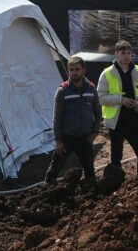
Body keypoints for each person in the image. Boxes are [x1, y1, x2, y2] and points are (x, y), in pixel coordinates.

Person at [44, 56, 103, 184]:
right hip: (67, 139)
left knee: (89, 170)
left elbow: (98, 112)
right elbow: (56, 117)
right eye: (71, 70)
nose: (74, 72)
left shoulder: (91, 89)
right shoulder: (62, 90)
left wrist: (95, 132)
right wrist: (58, 140)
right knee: (55, 169)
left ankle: (91, 195)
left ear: (84, 70)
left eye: (77, 69)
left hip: (85, 138)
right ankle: (46, 192)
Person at [97, 40, 138, 176]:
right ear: (116, 54)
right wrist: (120, 100)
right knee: (116, 156)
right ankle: (116, 184)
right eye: (123, 53)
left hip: (135, 120)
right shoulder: (107, 73)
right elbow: (100, 97)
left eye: (129, 53)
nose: (127, 56)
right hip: (117, 122)